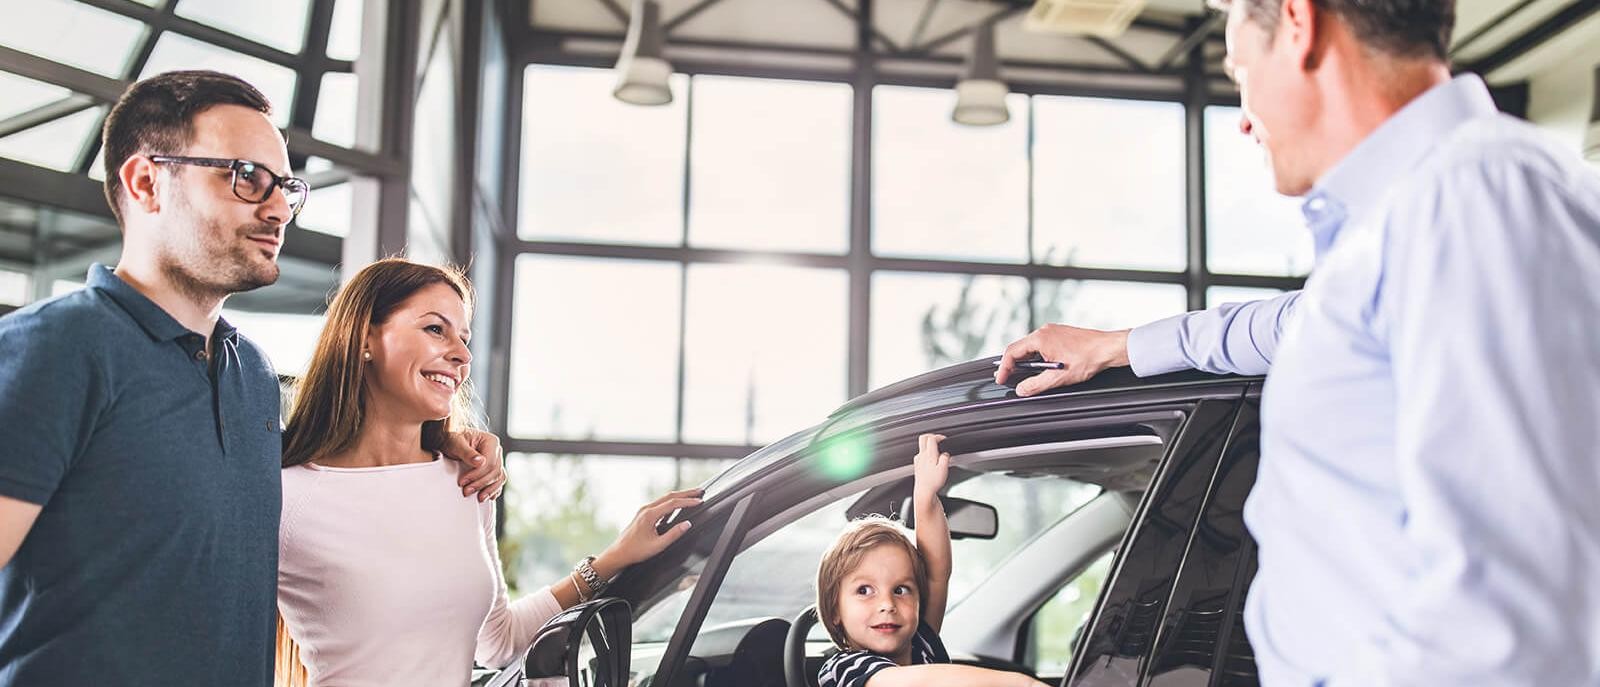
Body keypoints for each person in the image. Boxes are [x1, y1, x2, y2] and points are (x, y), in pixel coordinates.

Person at [998, 0, 1600, 683]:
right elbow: (1284, 326)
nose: (1245, 117)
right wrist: (1120, 346)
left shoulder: (1475, 198)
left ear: (1298, 21)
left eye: (1240, 71)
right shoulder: (1404, 227)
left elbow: (1508, 623)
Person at [0, 71, 504, 687]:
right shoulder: (56, 348)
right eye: (244, 178)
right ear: (145, 182)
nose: (276, 208)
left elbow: (344, 475)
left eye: (286, 188)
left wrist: (446, 440)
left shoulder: (252, 378)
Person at [274, 258, 701, 687]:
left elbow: (500, 641)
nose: (462, 355)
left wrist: (615, 558)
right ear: (365, 336)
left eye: (464, 339)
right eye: (435, 329)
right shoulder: (287, 496)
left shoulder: (465, 481)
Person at [814, 434, 1048, 687]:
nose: (887, 604)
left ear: (918, 599)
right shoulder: (845, 668)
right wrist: (1024, 685)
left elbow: (937, 572)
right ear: (835, 608)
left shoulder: (921, 644)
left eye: (901, 589)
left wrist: (925, 494)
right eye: (864, 590)